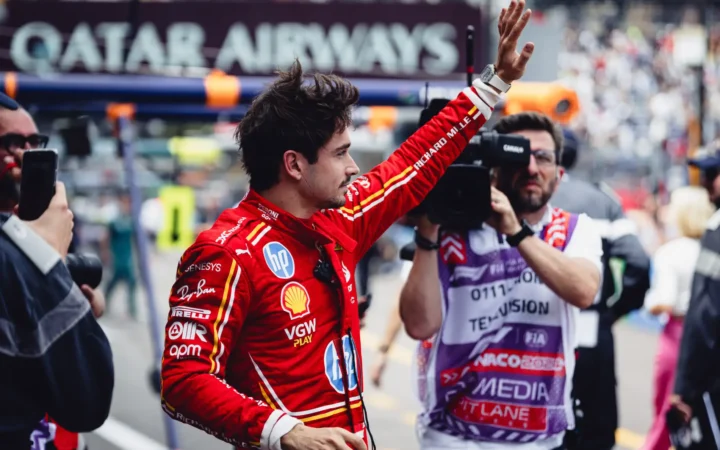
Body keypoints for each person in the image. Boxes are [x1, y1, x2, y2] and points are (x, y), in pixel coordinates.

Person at [159, 2, 535, 448]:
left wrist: (495, 84)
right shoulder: (226, 252)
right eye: (340, 153)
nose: (354, 166)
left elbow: (412, 162)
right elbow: (181, 381)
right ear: (294, 164)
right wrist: (285, 432)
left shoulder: (340, 219)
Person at [399, 111, 603, 450]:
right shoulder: (450, 229)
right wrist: (429, 226)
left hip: (538, 440)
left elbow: (583, 291)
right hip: (450, 437)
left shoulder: (575, 230)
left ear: (560, 173)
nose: (532, 168)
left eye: (543, 157)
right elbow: (420, 326)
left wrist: (515, 231)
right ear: (494, 165)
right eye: (519, 154)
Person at [0, 102, 108, 450]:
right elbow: (87, 398)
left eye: (34, 140)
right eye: (12, 141)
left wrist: (74, 300)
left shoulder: (36, 227)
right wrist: (41, 259)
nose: (26, 151)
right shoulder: (16, 250)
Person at [551, 129, 651, 450]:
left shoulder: (520, 193)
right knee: (595, 427)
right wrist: (614, 310)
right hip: (590, 327)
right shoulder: (602, 199)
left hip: (533, 327)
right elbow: (638, 261)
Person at [642, 187, 715, 450]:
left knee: (667, 415)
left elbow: (665, 300)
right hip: (709, 339)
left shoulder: (671, 252)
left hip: (676, 338)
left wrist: (649, 303)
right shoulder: (710, 249)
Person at [665, 148, 720, 449]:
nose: (707, 184)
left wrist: (684, 389)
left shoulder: (716, 230)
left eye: (713, 174)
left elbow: (705, 315)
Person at [103, 193, 138, 319]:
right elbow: (106, 238)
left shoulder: (132, 221)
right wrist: (106, 253)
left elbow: (136, 241)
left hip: (127, 257)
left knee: (132, 283)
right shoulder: (115, 221)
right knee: (112, 282)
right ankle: (104, 303)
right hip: (117, 256)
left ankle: (132, 309)